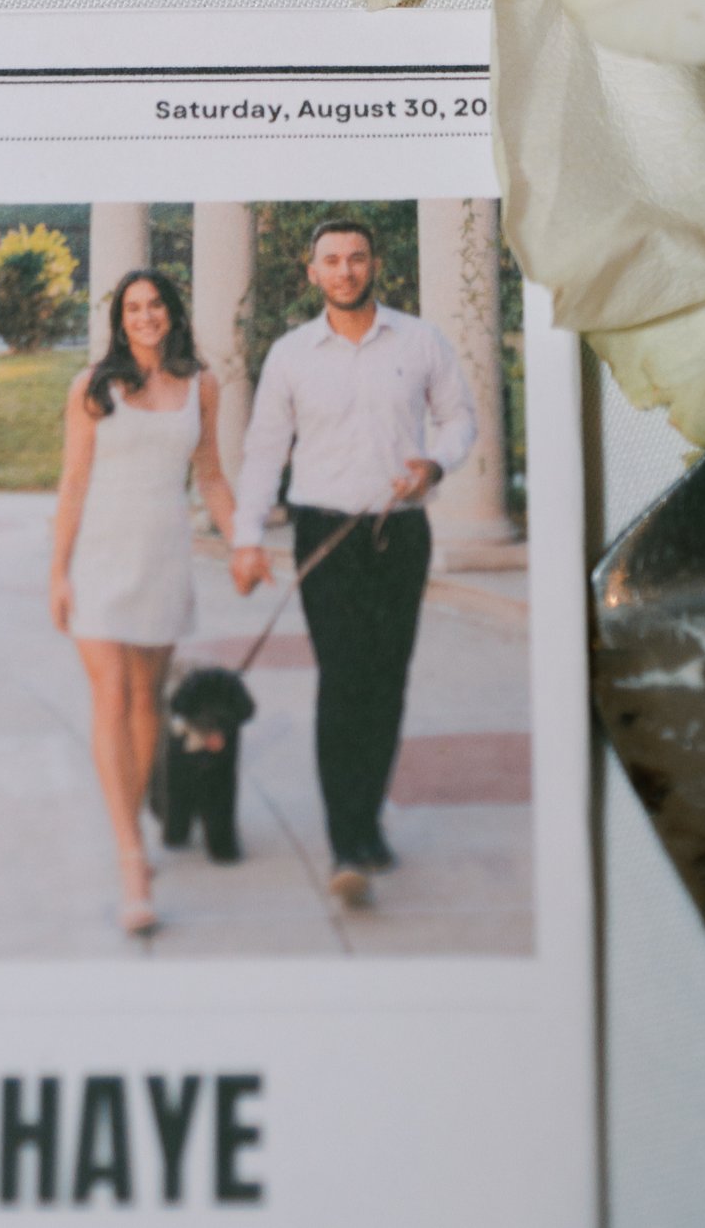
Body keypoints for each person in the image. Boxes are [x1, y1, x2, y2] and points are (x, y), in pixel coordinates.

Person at [230, 218, 478, 906]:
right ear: (313, 272)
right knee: (343, 677)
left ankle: (367, 821)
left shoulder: (421, 341)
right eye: (331, 260)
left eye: (357, 258)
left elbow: (460, 418)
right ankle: (346, 840)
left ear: (376, 264)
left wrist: (437, 461)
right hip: (325, 534)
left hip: (401, 534)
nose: (345, 270)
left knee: (386, 678)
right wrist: (248, 536)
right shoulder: (290, 355)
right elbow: (262, 450)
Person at [49, 267, 239, 937]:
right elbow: (72, 483)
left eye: (155, 304)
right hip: (99, 556)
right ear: (120, 319)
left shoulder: (201, 385)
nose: (146, 316)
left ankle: (127, 830)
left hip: (162, 559)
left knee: (146, 699)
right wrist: (58, 571)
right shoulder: (93, 387)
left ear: (171, 312)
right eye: (133, 307)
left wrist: (244, 540)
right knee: (112, 698)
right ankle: (133, 858)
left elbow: (211, 474)